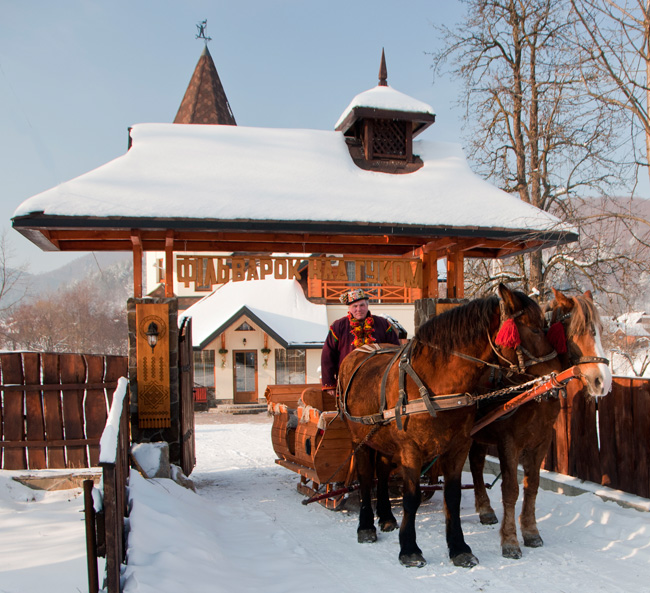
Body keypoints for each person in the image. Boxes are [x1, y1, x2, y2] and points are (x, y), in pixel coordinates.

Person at [320, 288, 401, 403]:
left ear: (367, 305)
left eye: (362, 305)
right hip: (349, 382)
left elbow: (396, 351)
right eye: (355, 306)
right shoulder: (338, 326)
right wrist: (329, 384)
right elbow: (327, 356)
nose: (359, 309)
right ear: (349, 308)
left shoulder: (383, 324)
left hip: (380, 380)